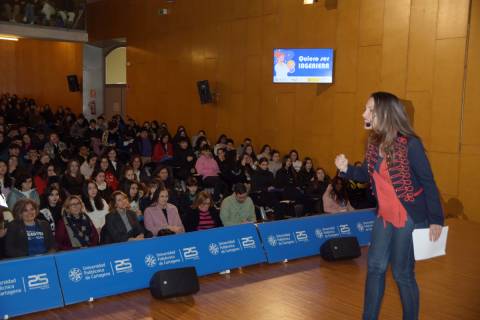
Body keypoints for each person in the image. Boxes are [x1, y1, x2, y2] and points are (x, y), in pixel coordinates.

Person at [334, 92, 444, 320]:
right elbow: (366, 173)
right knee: (374, 268)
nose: (364, 114)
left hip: (408, 217)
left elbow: (428, 181)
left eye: (369, 109)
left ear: (384, 113)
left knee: (403, 275)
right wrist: (346, 170)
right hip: (384, 215)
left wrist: (436, 219)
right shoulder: (374, 143)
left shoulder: (410, 144)